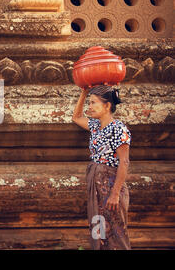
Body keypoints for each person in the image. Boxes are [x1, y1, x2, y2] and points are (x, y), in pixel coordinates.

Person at [72, 85, 131, 250]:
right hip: (96, 183)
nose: (89, 107)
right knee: (98, 228)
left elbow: (124, 162)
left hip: (111, 184)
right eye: (89, 103)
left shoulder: (118, 129)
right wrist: (84, 92)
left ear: (107, 106)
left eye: (93, 103)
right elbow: (76, 117)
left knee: (116, 231)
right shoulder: (95, 126)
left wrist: (115, 194)